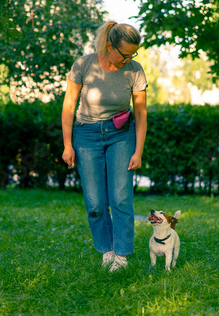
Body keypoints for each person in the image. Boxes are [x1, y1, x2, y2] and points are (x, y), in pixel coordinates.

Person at [61, 21, 148, 272]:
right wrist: (68, 145)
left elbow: (141, 113)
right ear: (109, 46)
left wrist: (138, 151)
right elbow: (69, 105)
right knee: (95, 202)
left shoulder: (135, 70)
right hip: (86, 135)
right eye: (125, 54)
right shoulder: (83, 65)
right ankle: (106, 250)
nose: (128, 59)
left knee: (121, 197)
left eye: (133, 54)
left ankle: (121, 255)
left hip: (121, 135)